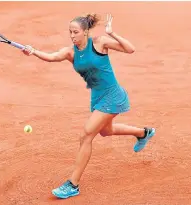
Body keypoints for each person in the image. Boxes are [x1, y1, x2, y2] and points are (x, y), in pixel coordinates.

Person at [22, 13, 156, 199]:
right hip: (97, 96)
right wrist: (33, 51)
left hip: (113, 95)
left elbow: (130, 49)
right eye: (70, 32)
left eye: (75, 32)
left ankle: (73, 184)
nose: (72, 35)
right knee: (105, 131)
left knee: (86, 135)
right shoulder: (71, 52)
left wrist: (113, 33)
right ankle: (144, 133)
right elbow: (52, 57)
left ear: (85, 32)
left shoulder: (99, 42)